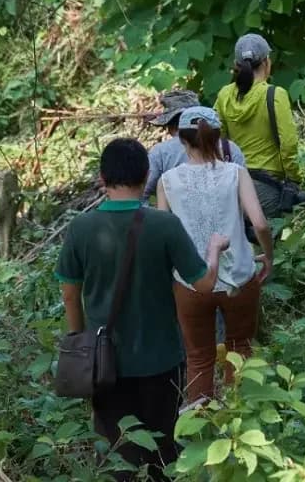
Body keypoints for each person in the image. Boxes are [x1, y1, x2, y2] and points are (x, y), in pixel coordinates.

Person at [54, 138, 229, 482]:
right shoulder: (164, 225)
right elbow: (205, 283)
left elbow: (70, 295)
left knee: (120, 453)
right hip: (161, 359)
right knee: (163, 449)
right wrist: (214, 248)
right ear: (146, 175)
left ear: (102, 177)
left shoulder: (81, 229)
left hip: (105, 365)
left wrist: (81, 341)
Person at [156, 107, 273, 402]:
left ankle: (202, 427)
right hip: (239, 277)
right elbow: (259, 223)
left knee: (198, 357)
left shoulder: (168, 182)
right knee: (240, 347)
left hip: (190, 282)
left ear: (181, 140)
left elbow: (163, 234)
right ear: (219, 138)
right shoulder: (235, 173)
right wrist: (268, 256)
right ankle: (240, 416)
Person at [214, 33, 305, 219]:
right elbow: (288, 143)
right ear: (266, 62)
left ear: (236, 64)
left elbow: (215, 138)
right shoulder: (275, 94)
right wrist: (293, 178)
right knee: (270, 245)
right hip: (268, 187)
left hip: (232, 184)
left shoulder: (225, 95)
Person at [143, 89, 246, 202]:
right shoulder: (230, 148)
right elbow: (244, 198)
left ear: (171, 126)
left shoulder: (160, 152)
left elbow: (142, 193)